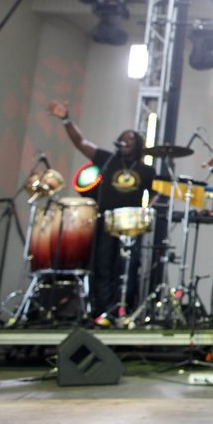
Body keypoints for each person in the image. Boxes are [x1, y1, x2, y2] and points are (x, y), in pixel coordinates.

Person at [46, 99, 156, 327]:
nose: (126, 141)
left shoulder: (146, 170)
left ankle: (125, 311)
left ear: (138, 145)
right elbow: (81, 143)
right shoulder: (108, 160)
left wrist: (147, 210)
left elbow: (158, 193)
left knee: (127, 267)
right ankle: (103, 311)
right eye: (123, 138)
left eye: (131, 139)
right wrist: (66, 119)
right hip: (106, 220)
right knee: (103, 265)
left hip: (131, 224)